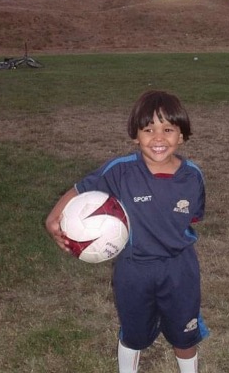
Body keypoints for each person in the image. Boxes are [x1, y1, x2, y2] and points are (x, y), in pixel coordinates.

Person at [45, 90, 209, 373]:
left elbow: (193, 217)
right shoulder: (119, 171)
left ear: (181, 135)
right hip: (133, 270)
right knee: (134, 335)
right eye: (148, 130)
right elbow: (80, 189)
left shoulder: (192, 176)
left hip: (180, 270)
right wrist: (53, 218)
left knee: (185, 334)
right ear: (135, 136)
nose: (158, 139)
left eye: (168, 129)